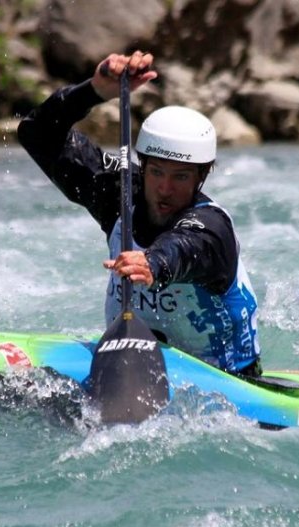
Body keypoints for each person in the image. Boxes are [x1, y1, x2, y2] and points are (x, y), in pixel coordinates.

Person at [17, 51, 260, 375]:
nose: (164, 188)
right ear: (143, 165)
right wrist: (93, 91)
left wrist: (152, 263)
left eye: (181, 177)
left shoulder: (212, 229)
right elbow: (37, 134)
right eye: (157, 172)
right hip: (128, 364)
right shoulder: (118, 194)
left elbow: (184, 248)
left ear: (201, 177)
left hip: (227, 379)